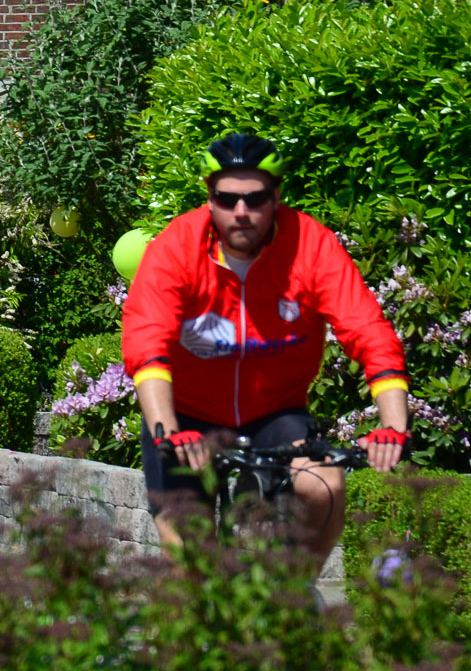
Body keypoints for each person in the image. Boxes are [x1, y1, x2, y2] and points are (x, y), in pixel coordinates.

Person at [124, 132, 410, 567]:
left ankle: (292, 594)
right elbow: (147, 340)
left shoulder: (310, 244)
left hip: (275, 411)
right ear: (210, 198)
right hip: (186, 414)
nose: (241, 211)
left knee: (324, 486)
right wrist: (167, 427)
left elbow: (368, 330)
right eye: (227, 198)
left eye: (255, 198)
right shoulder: (176, 247)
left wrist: (393, 425)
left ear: (276, 197)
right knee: (189, 555)